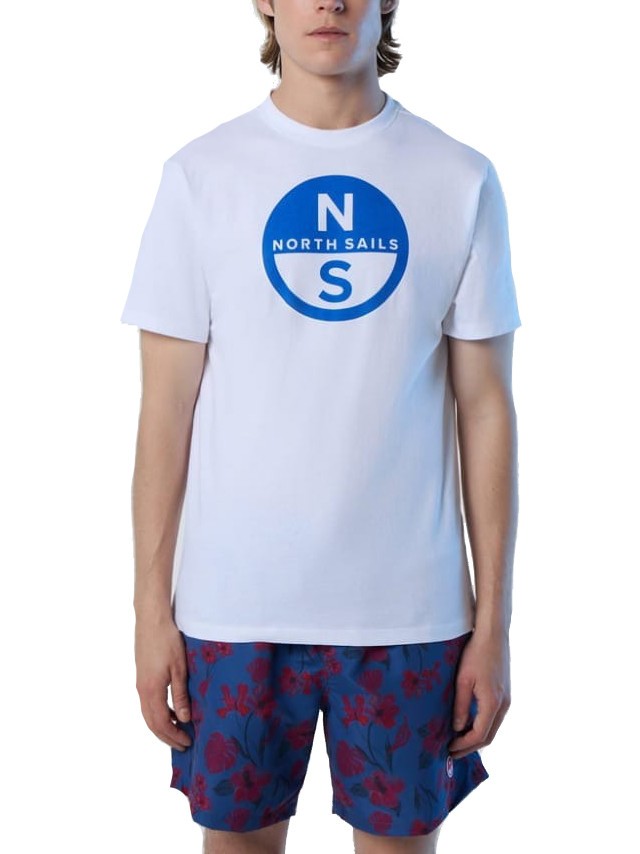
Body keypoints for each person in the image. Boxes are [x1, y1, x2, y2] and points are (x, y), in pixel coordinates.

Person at [120, 1, 521, 851]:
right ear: (265, 1)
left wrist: (495, 624)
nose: (329, 2)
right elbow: (164, 411)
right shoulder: (202, 177)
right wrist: (150, 613)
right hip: (234, 610)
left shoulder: (459, 178)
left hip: (410, 616)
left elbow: (486, 407)